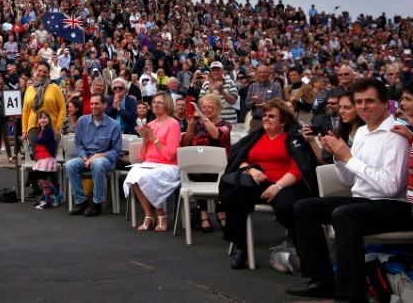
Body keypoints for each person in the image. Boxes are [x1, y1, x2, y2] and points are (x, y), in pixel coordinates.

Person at [287, 78, 413, 302]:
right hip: (363, 201)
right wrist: (338, 157)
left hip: (396, 206)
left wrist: (349, 158)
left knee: (344, 215)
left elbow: (391, 187)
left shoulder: (396, 134)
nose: (363, 107)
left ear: (385, 104)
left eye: (370, 101)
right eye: (359, 102)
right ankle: (321, 280)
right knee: (304, 208)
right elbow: (348, 180)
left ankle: (352, 294)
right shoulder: (363, 132)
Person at [219, 99, 317, 269]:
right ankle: (243, 247)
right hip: (256, 182)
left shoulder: (293, 139)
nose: (266, 118)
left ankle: (300, 246)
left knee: (287, 206)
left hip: (286, 184)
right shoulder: (256, 137)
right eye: (265, 115)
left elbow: (298, 168)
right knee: (233, 197)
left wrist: (277, 186)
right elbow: (239, 160)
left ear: (283, 122)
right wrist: (250, 169)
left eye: (272, 116)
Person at [123, 92, 181, 232]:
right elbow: (143, 156)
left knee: (146, 177)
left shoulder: (173, 124)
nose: (155, 105)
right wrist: (144, 139)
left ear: (167, 104)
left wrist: (153, 138)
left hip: (168, 166)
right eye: (154, 102)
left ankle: (160, 213)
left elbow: (170, 155)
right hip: (150, 164)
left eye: (159, 102)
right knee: (133, 175)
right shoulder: (150, 124)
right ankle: (148, 214)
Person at [181, 94, 231, 232]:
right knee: (198, 168)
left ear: (219, 108)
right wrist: (191, 125)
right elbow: (185, 143)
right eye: (205, 107)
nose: (207, 109)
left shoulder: (225, 125)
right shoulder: (197, 123)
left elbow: (216, 135)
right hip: (198, 169)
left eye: (211, 107)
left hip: (219, 169)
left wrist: (203, 116)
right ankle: (203, 213)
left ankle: (220, 209)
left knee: (222, 177)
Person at [67, 93, 121, 217]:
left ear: (104, 105)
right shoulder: (82, 121)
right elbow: (79, 144)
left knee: (97, 163)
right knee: (70, 165)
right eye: (91, 104)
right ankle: (81, 201)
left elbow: (116, 151)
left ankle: (97, 202)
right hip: (86, 157)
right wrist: (84, 156)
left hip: (105, 159)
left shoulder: (114, 125)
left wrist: (98, 156)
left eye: (96, 103)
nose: (93, 106)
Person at [304, 91, 364, 164]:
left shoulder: (368, 132)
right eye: (340, 107)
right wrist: (312, 140)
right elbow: (327, 162)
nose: (341, 111)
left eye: (347, 108)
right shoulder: (337, 132)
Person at [30, 111, 63, 209]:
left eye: (45, 118)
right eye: (40, 118)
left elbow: (42, 141)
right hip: (43, 157)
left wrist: (34, 139)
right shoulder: (43, 130)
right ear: (37, 121)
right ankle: (48, 199)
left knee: (43, 180)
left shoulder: (48, 130)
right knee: (42, 180)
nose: (42, 120)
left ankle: (54, 195)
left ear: (49, 120)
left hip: (47, 157)